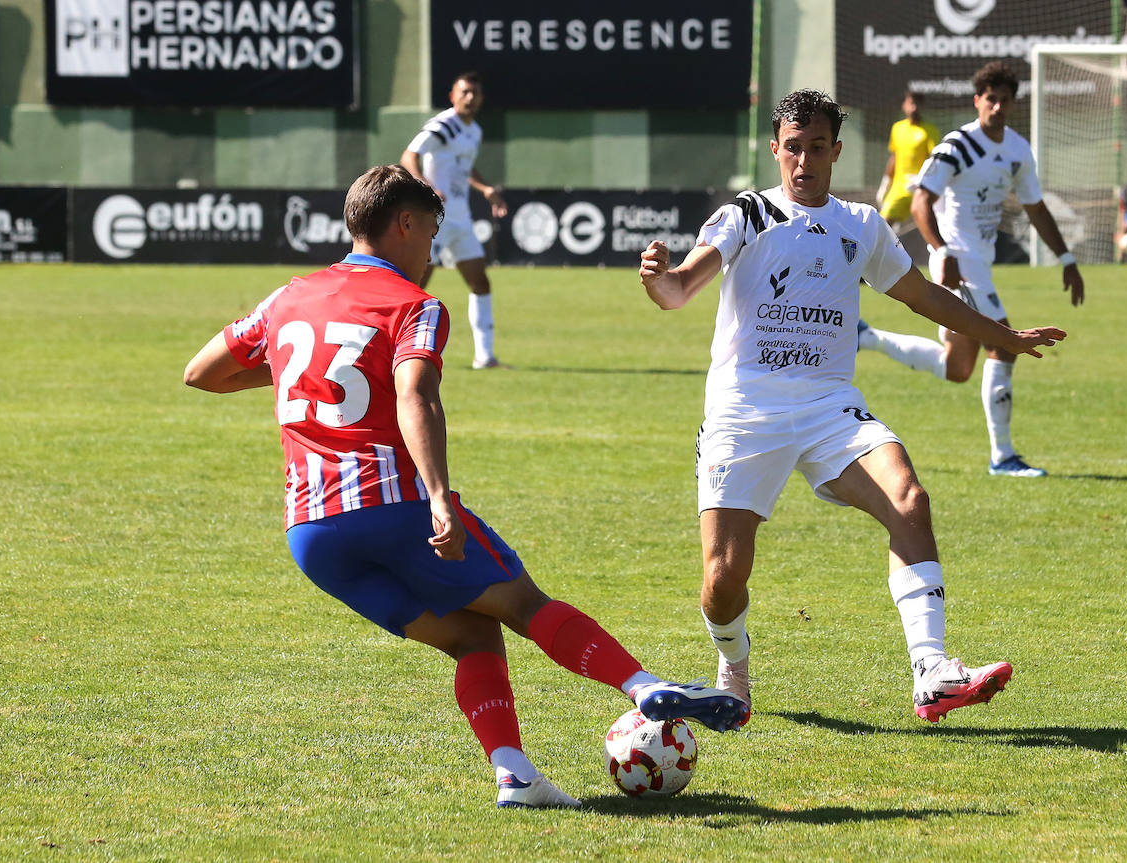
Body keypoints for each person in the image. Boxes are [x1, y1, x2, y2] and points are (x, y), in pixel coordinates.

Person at [184, 165, 747, 810]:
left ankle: (514, 774)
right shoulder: (415, 306)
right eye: (430, 232)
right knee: (524, 604)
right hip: (392, 505)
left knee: (470, 635)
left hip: (313, 535)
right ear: (403, 224)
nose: (434, 250)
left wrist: (292, 367)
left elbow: (201, 372)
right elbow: (415, 395)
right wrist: (439, 496)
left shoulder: (289, 297)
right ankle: (643, 685)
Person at [638, 90, 1067, 724]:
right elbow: (681, 291)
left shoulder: (860, 224)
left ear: (835, 151)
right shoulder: (746, 215)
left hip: (828, 406)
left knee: (909, 500)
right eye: (792, 148)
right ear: (775, 149)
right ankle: (733, 666)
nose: (803, 161)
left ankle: (932, 670)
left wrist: (1001, 336)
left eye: (817, 148)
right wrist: (659, 279)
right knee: (724, 576)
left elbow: (923, 296)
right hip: (744, 410)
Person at [856, 61, 1085, 478]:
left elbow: (1035, 207)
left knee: (958, 367)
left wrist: (1067, 260)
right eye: (990, 99)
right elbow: (922, 200)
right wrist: (942, 250)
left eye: (1004, 100)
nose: (996, 106)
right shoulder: (957, 146)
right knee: (1004, 343)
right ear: (977, 101)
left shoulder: (1017, 149)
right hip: (958, 262)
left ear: (1013, 104)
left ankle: (867, 337)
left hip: (979, 261)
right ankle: (1003, 457)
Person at [401, 71, 509, 369]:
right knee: (414, 288)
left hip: (461, 218)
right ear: (452, 96)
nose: (470, 98)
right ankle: (399, 352)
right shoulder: (443, 126)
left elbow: (466, 168)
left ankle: (485, 357)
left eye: (475, 93)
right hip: (435, 220)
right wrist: (425, 187)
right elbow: (409, 156)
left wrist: (486, 189)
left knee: (480, 282)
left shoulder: (473, 131)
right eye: (464, 92)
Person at [876, 90, 940, 239]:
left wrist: (922, 178)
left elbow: (935, 158)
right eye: (911, 103)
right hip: (899, 188)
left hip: (922, 188)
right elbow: (894, 156)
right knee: (882, 225)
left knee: (932, 229)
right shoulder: (897, 128)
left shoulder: (929, 130)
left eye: (917, 104)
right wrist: (886, 182)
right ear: (904, 105)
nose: (914, 108)